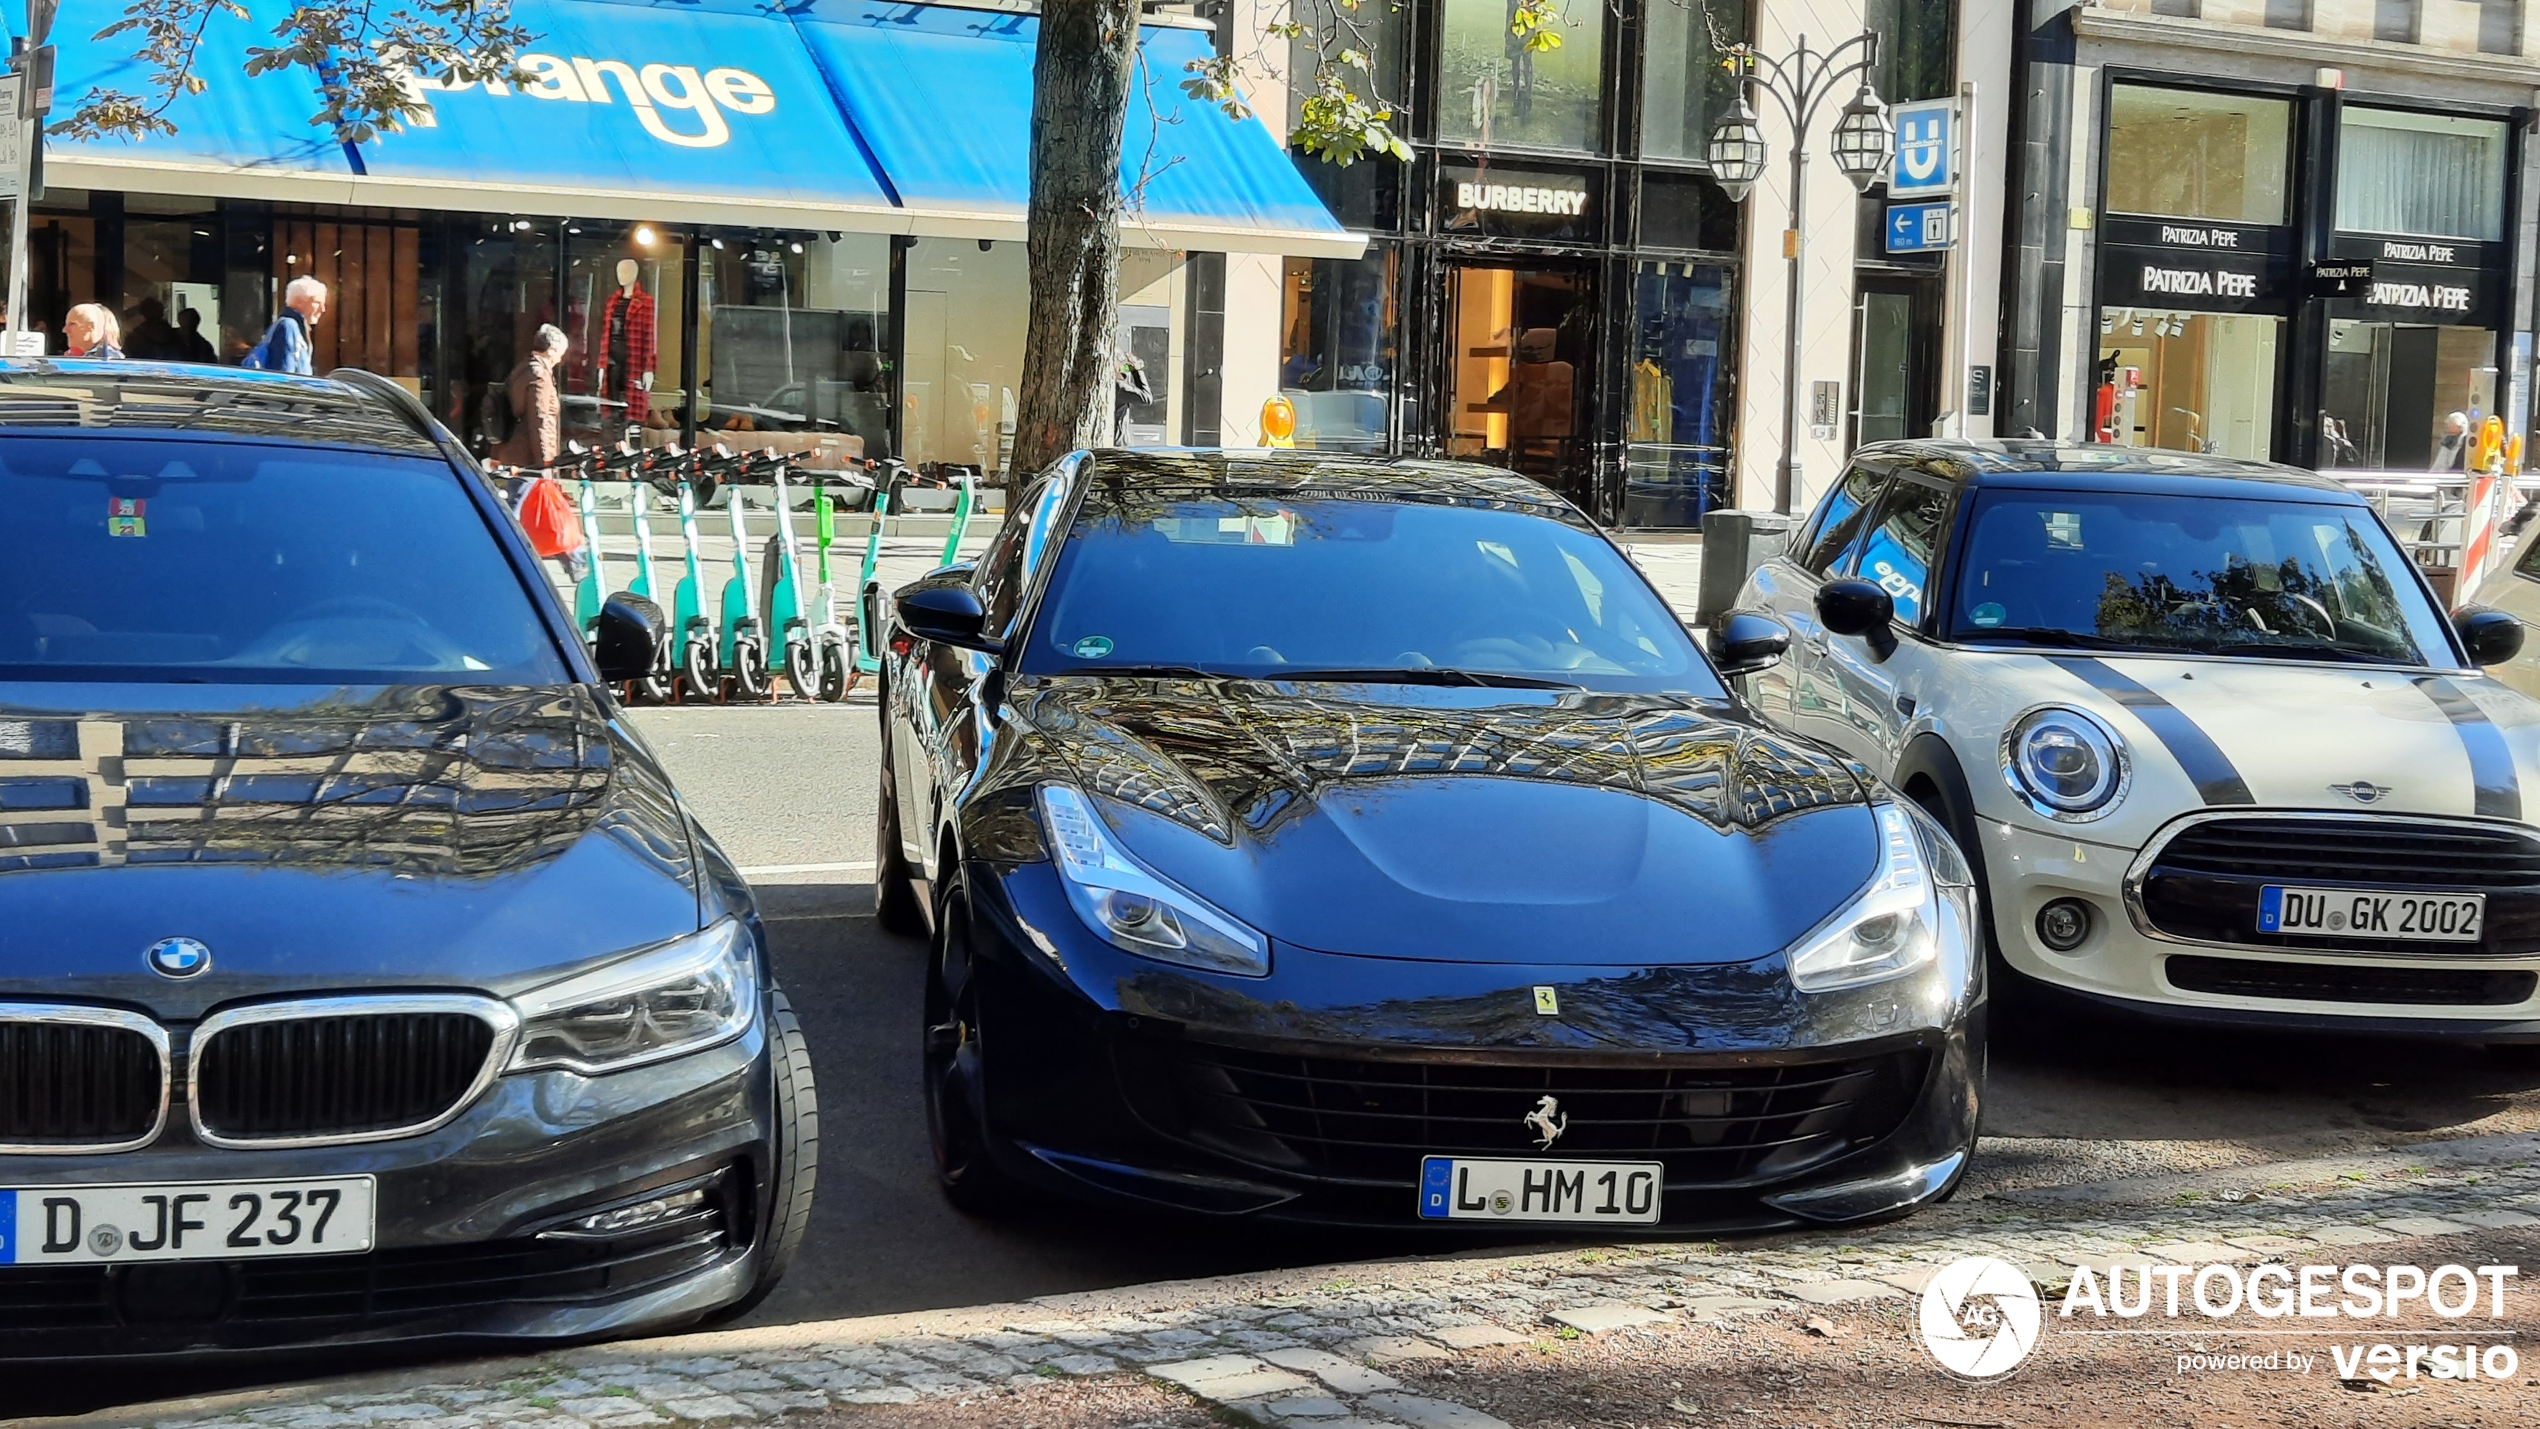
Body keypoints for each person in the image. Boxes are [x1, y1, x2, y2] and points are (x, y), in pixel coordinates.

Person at [242, 276, 326, 375]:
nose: (322, 309)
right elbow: (285, 375)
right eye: (317, 302)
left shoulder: (294, 328)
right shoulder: (288, 326)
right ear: (299, 301)